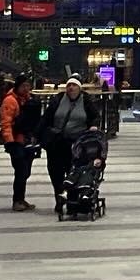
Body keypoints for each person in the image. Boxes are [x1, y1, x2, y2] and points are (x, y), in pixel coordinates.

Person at [41, 77, 98, 218]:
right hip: (57, 143)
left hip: (76, 144)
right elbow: (47, 118)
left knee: (73, 172)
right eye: (69, 86)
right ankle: (59, 199)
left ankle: (72, 202)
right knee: (56, 173)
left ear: (79, 88)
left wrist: (93, 127)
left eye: (74, 86)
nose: (71, 88)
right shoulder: (58, 99)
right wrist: (39, 134)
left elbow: (95, 116)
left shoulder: (86, 101)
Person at [0, 74, 40, 213]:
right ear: (17, 86)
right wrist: (9, 142)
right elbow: (6, 123)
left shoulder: (28, 99)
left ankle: (21, 199)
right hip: (16, 141)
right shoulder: (10, 101)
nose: (26, 88)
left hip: (27, 140)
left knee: (26, 171)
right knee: (21, 171)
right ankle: (17, 200)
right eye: (24, 86)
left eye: (28, 86)